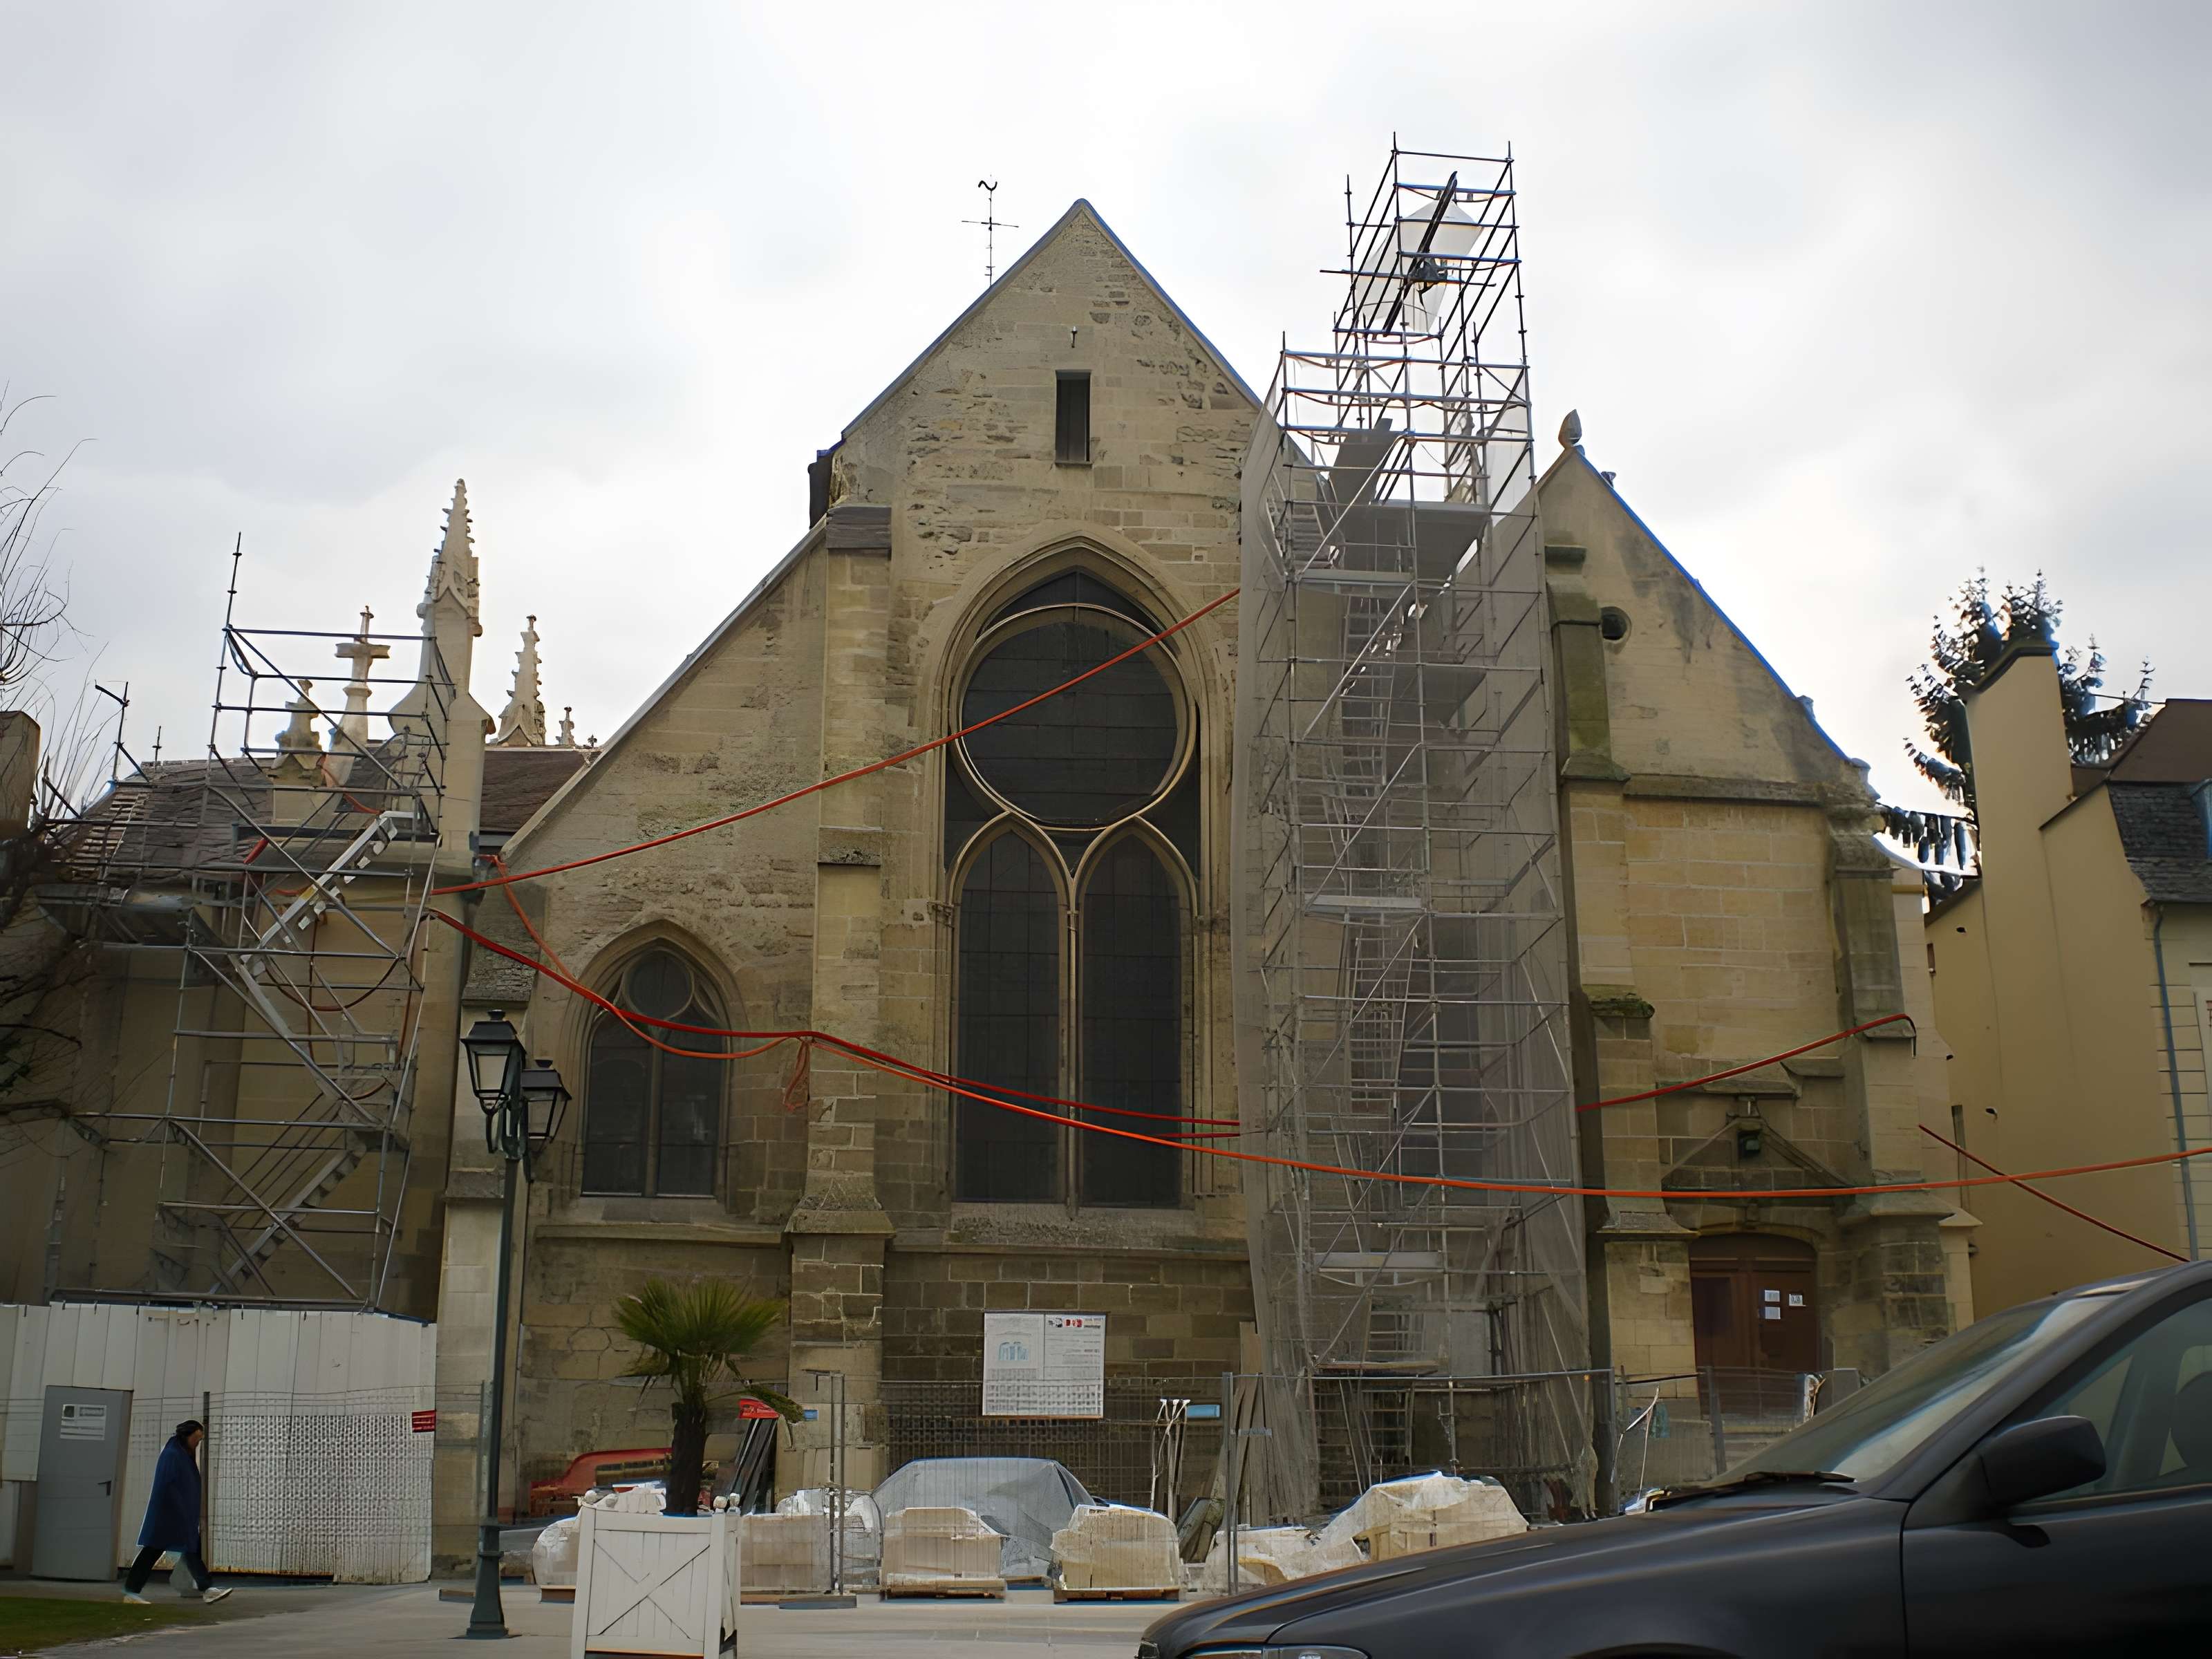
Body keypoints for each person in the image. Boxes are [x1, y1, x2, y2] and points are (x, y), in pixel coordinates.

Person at [122, 1420, 231, 1604]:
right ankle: (131, 1592)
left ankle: (207, 1588)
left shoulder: (179, 1454)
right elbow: (168, 1485)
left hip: (176, 1514)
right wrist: (180, 1509)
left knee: (186, 1550)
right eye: (197, 1439)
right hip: (170, 1515)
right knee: (156, 1551)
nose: (198, 1443)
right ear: (187, 1436)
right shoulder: (173, 1455)